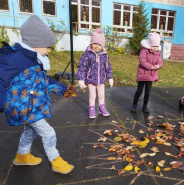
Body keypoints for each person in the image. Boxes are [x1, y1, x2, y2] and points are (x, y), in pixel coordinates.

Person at [0, 15, 77, 174]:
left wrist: (63, 90)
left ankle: (22, 156)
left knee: (30, 131)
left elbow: (45, 80)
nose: (49, 50)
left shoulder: (34, 61)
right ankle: (56, 161)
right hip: (24, 108)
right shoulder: (15, 60)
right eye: (48, 46)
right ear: (35, 43)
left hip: (31, 107)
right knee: (49, 133)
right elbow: (1, 81)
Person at [77, 28, 113, 118]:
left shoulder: (105, 55)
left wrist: (110, 77)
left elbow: (108, 67)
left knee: (101, 95)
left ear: (102, 46)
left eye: (99, 44)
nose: (96, 46)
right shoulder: (87, 54)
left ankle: (102, 107)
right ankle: (92, 108)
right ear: (91, 43)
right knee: (92, 95)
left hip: (101, 79)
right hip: (90, 79)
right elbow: (82, 67)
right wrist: (81, 79)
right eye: (95, 43)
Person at [130, 33, 163, 114]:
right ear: (149, 44)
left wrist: (158, 66)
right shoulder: (144, 50)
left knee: (148, 92)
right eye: (153, 46)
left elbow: (160, 62)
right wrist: (151, 67)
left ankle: (145, 106)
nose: (155, 48)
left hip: (151, 75)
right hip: (143, 74)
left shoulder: (158, 52)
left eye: (157, 46)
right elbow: (142, 61)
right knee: (139, 91)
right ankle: (134, 104)